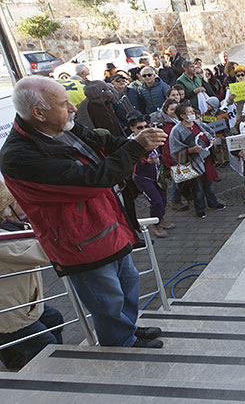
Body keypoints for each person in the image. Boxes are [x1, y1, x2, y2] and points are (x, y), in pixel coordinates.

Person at [0, 76, 167, 348]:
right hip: (79, 243)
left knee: (127, 285)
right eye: (64, 104)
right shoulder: (19, 157)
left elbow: (101, 142)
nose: (73, 108)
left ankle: (128, 330)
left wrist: (132, 142)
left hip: (109, 226)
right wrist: (136, 148)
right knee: (107, 301)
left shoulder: (60, 126)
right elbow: (91, 179)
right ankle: (121, 344)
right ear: (38, 113)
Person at [0, 222, 64, 370]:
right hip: (10, 311)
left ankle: (14, 357)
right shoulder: (5, 241)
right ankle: (46, 373)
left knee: (54, 318)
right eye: (15, 202)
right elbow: (42, 252)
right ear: (7, 212)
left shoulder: (12, 226)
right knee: (45, 345)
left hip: (22, 300)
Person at [169, 103, 225, 219]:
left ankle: (213, 202)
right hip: (193, 162)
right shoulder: (177, 130)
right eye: (190, 112)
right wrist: (189, 150)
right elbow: (175, 151)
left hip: (206, 158)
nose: (192, 114)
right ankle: (200, 208)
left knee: (209, 183)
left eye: (192, 112)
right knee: (197, 187)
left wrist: (212, 141)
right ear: (182, 115)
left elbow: (209, 134)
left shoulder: (198, 124)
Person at [128, 113, 172, 238]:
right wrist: (146, 161)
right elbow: (130, 161)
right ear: (132, 128)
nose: (144, 130)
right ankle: (154, 225)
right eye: (139, 128)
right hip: (143, 177)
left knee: (163, 199)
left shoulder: (152, 137)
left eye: (146, 126)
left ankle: (160, 219)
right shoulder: (130, 142)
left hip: (157, 175)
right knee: (156, 201)